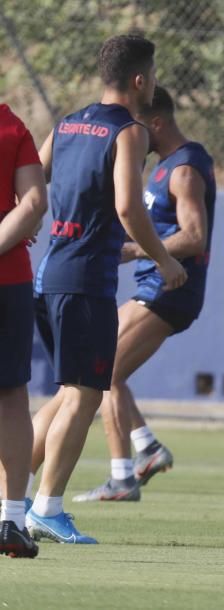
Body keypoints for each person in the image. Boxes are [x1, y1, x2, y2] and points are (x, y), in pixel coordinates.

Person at [26, 34, 187, 544]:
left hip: (48, 274)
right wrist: (162, 259)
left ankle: (17, 503)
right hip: (86, 279)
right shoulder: (130, 132)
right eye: (154, 74)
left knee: (70, 394)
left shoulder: (67, 123)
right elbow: (127, 207)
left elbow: (34, 182)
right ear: (141, 79)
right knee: (84, 395)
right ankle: (44, 508)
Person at [63, 85, 212, 503]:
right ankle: (146, 447)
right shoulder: (165, 166)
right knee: (104, 367)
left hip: (169, 290)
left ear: (158, 123)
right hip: (155, 286)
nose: (132, 134)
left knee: (105, 372)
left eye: (139, 126)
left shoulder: (184, 169)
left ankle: (122, 477)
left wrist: (135, 250)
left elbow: (195, 237)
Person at [0, 103, 47, 558]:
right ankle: (12, 519)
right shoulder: (10, 125)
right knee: (11, 396)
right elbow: (34, 203)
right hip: (8, 277)